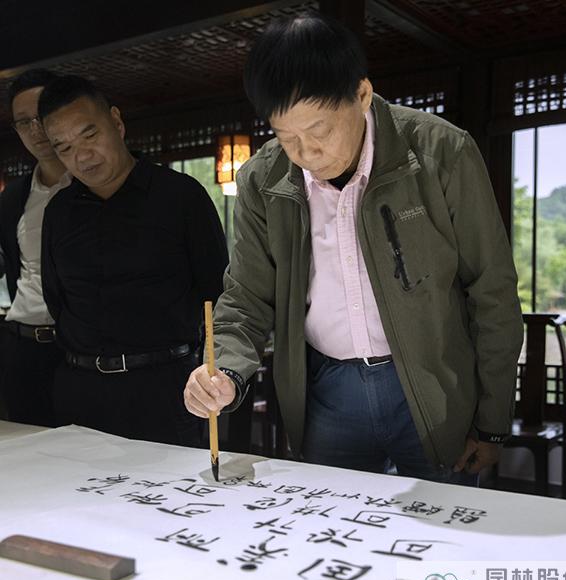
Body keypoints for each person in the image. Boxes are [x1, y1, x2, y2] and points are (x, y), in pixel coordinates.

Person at [183, 13, 523, 482]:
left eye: (319, 131)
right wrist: (223, 370)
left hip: (434, 384)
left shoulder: (440, 152)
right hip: (328, 390)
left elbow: (492, 290)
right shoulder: (263, 179)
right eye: (287, 137)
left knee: (440, 517)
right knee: (330, 516)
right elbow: (246, 299)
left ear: (361, 95)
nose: (306, 153)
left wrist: (492, 421)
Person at [38, 75, 228, 446]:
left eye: (90, 135)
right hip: (81, 390)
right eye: (65, 148)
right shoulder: (59, 212)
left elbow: (216, 294)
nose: (82, 156)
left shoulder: (180, 196)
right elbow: (56, 298)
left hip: (165, 387)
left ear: (117, 122)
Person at [0, 69, 70, 427]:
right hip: (23, 345)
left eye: (42, 116)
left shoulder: (93, 186)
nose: (35, 130)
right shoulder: (14, 195)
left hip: (78, 349)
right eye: (23, 122)